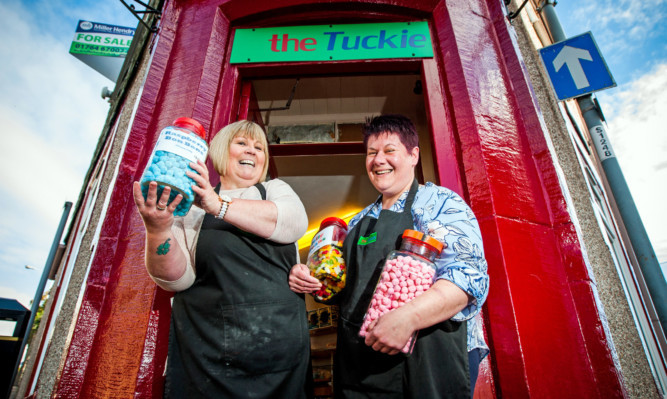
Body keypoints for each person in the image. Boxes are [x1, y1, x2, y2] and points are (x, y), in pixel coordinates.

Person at [289, 114, 489, 398]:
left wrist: (409, 318)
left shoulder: (440, 204)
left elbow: (469, 278)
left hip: (427, 363)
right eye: (371, 153)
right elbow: (335, 288)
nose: (378, 160)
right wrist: (310, 279)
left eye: (389, 150)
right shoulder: (357, 222)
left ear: (413, 155)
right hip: (360, 367)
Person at [133, 120, 312, 398]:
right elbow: (176, 279)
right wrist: (157, 230)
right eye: (242, 143)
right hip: (210, 365)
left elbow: (294, 222)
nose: (252, 151)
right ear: (219, 151)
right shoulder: (190, 209)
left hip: (282, 365)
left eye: (259, 147)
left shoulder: (275, 190)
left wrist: (217, 206)